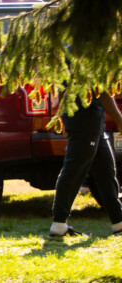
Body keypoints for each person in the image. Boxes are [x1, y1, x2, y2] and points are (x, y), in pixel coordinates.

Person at [48, 91, 122, 238]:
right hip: (86, 122)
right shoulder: (87, 67)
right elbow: (103, 92)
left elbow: (63, 91)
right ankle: (59, 224)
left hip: (94, 124)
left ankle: (118, 222)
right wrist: (120, 121)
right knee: (73, 171)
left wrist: (65, 117)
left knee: (106, 172)